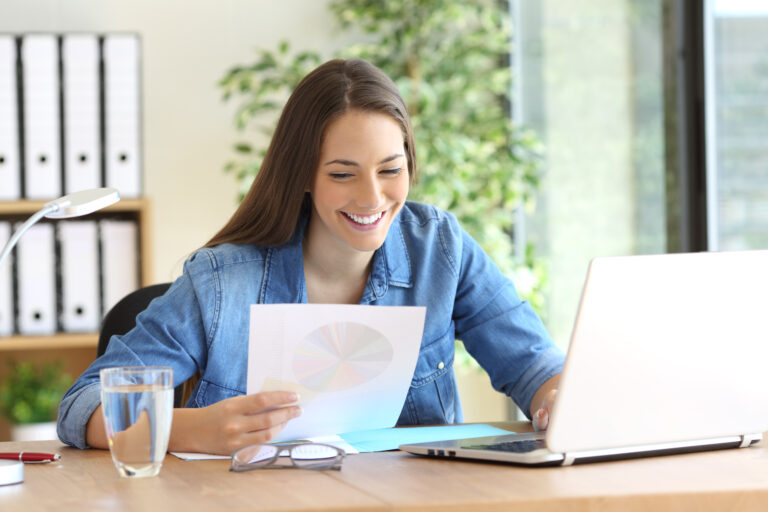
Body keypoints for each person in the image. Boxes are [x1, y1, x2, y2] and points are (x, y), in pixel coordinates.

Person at [58, 58, 564, 455]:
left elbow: (536, 367)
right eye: (343, 174)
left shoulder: (440, 249)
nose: (372, 198)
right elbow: (83, 407)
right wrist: (187, 428)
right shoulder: (220, 282)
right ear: (303, 174)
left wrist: (557, 399)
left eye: (390, 170)